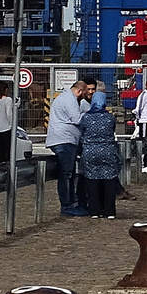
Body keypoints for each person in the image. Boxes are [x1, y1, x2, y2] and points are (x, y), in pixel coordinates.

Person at [47, 79, 89, 216]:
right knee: (66, 174)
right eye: (84, 94)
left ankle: (72, 202)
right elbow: (77, 119)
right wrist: (89, 114)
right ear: (79, 91)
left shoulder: (64, 98)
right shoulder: (69, 99)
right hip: (64, 139)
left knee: (69, 173)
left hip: (64, 139)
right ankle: (67, 205)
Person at [77, 90, 121, 218]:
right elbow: (112, 132)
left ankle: (95, 211)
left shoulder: (86, 118)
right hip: (107, 151)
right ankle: (109, 211)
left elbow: (82, 133)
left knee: (92, 180)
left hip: (90, 152)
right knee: (109, 180)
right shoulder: (110, 118)